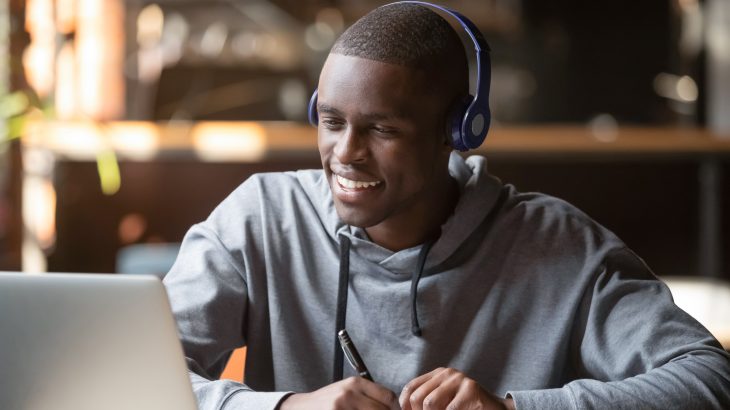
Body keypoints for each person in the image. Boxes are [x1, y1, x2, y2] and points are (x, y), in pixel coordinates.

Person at [163, 2, 730, 410]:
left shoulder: (558, 245)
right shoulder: (261, 219)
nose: (345, 154)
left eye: (382, 129)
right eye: (331, 122)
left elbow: (708, 380)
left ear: (457, 131)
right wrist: (286, 408)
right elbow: (131, 378)